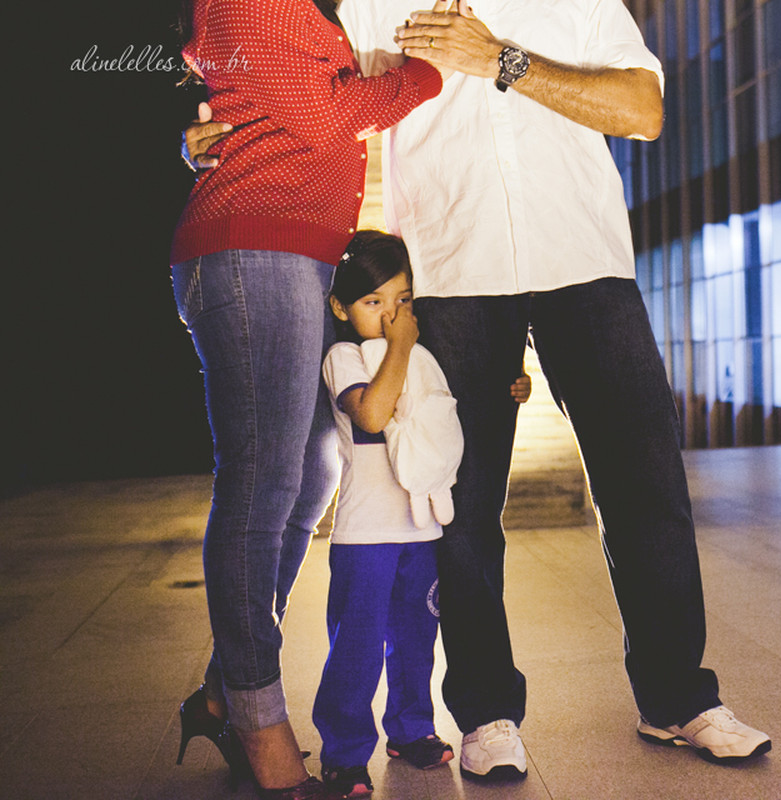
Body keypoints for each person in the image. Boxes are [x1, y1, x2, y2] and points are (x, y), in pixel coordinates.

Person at [186, 0, 770, 781]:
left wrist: (502, 59)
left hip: (586, 262)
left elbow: (643, 108)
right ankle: (487, 712)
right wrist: (210, 136)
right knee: (457, 506)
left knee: (647, 485)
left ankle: (679, 699)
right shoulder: (371, 5)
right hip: (454, 274)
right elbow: (302, 98)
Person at [169, 0, 442, 797]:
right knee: (261, 486)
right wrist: (421, 75)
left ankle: (224, 688)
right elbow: (324, 118)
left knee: (314, 473)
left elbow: (267, 106)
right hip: (255, 247)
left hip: (300, 255)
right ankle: (257, 719)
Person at [315, 230, 530, 797]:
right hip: (365, 535)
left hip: (421, 529)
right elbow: (372, 415)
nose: (391, 316)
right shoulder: (345, 356)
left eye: (402, 300)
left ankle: (410, 729)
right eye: (374, 303)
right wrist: (402, 346)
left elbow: (447, 414)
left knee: (416, 640)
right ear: (341, 307)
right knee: (357, 646)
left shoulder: (424, 356)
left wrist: (512, 386)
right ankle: (343, 751)